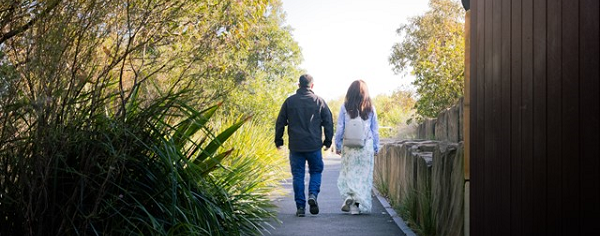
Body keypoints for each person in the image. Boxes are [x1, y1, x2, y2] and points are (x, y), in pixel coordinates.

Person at [275, 74, 334, 217]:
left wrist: (279, 141)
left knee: (298, 176)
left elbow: (280, 122)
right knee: (316, 171)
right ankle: (313, 195)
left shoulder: (289, 102)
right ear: (312, 86)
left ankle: (300, 207)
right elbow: (328, 122)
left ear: (298, 85)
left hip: (296, 146)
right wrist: (327, 141)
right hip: (314, 145)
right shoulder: (319, 101)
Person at [334, 80, 380, 215]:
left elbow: (340, 127)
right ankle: (356, 206)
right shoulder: (371, 108)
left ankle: (350, 197)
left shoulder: (345, 107)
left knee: (349, 173)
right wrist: (376, 147)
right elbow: (375, 129)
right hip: (366, 145)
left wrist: (337, 144)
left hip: (349, 146)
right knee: (363, 176)